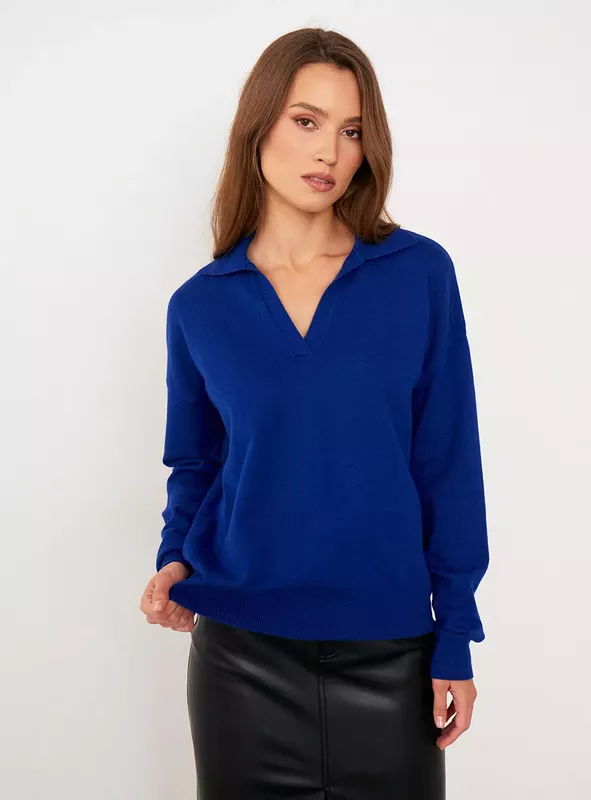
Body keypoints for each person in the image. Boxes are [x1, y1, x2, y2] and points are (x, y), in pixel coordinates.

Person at [140, 26, 489, 800]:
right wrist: (174, 556)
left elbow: (447, 461)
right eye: (307, 121)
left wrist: (456, 632)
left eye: (352, 130)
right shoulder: (201, 306)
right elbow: (197, 462)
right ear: (259, 127)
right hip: (241, 658)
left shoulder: (416, 274)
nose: (330, 150)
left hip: (392, 651)